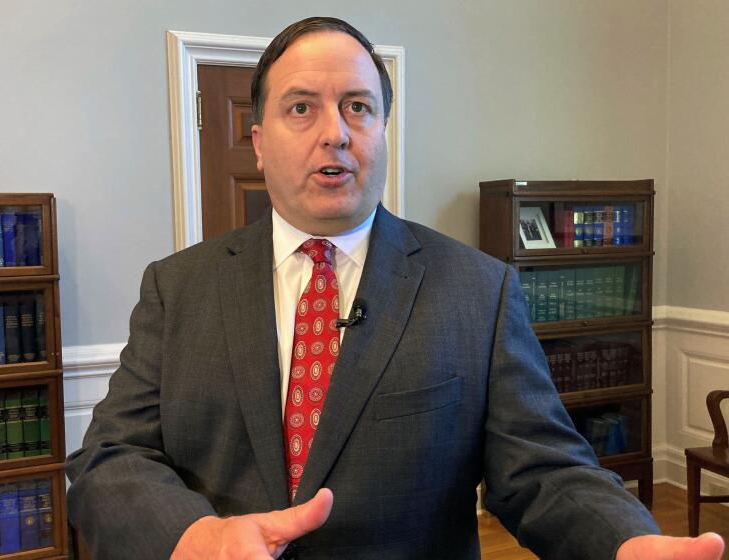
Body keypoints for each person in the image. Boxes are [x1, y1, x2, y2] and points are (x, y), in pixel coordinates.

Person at [65, 16, 725, 560]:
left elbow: (544, 470)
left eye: (359, 107)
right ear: (259, 143)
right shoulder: (177, 288)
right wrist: (195, 538)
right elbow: (110, 457)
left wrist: (625, 540)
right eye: (302, 108)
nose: (336, 132)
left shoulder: (478, 291)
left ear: (382, 131)